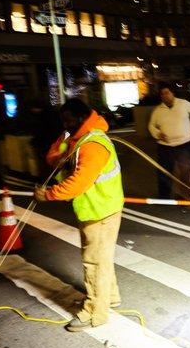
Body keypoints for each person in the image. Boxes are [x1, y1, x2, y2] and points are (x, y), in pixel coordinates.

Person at [34, 98, 124, 332]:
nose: (65, 124)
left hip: (100, 211)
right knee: (101, 259)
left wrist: (48, 195)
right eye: (63, 120)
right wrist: (64, 139)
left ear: (81, 117)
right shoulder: (78, 138)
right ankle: (110, 297)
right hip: (97, 208)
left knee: (94, 262)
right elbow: (53, 158)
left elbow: (77, 183)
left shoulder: (93, 144)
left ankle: (95, 313)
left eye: (68, 120)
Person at [148, 83, 190, 198]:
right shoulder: (158, 110)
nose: (164, 96)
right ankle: (164, 197)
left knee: (186, 172)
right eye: (162, 94)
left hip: (185, 144)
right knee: (164, 172)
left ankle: (186, 196)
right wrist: (158, 134)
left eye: (167, 93)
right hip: (165, 146)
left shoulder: (183, 104)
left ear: (173, 93)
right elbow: (151, 125)